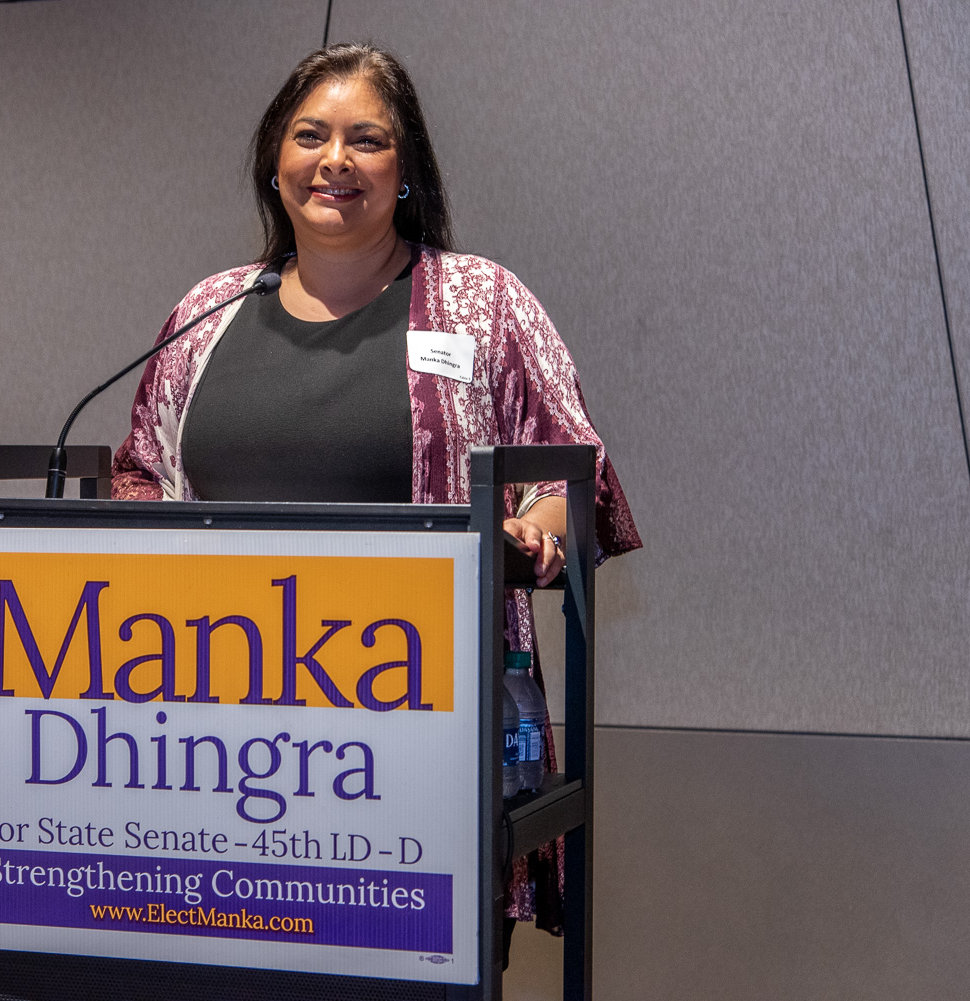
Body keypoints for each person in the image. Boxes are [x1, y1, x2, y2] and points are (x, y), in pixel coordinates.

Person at [112, 42, 641, 949]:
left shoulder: (482, 302)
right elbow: (139, 473)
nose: (335, 160)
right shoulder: (207, 312)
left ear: (406, 171)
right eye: (309, 136)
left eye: (366, 140)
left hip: (416, 749)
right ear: (273, 162)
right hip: (212, 747)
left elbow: (572, 467)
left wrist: (535, 529)